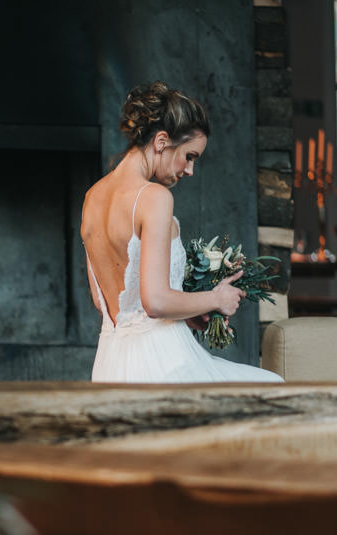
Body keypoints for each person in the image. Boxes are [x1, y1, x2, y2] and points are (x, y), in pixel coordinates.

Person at [81, 81, 283, 383]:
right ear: (161, 141)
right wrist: (216, 298)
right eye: (189, 156)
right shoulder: (153, 197)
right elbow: (156, 302)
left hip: (109, 366)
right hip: (162, 364)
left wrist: (186, 313)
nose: (189, 170)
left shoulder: (91, 197)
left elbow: (105, 303)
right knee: (273, 387)